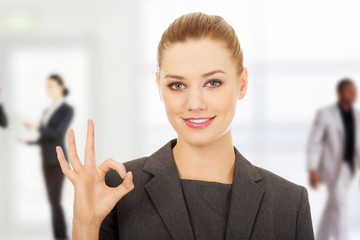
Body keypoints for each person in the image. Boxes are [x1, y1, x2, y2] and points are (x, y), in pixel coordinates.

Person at [56, 12, 314, 240]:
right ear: (159, 87)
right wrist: (85, 226)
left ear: (242, 83)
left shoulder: (288, 204)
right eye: (177, 85)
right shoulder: (119, 189)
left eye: (212, 83)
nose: (195, 103)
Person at [19, 74, 74, 240]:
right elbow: (44, 138)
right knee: (52, 201)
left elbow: (57, 133)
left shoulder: (67, 110)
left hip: (58, 160)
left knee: (55, 200)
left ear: (60, 87)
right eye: (46, 86)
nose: (48, 89)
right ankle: (58, 235)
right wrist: (28, 143)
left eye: (51, 85)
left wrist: (37, 126)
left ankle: (62, 236)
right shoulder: (46, 111)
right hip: (46, 159)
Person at [307, 78, 360, 240]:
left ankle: (320, 237)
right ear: (339, 93)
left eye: (354, 91)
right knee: (340, 207)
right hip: (332, 169)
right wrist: (312, 169)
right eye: (349, 90)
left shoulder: (357, 116)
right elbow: (314, 143)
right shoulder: (325, 114)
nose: (353, 94)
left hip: (350, 168)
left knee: (333, 207)